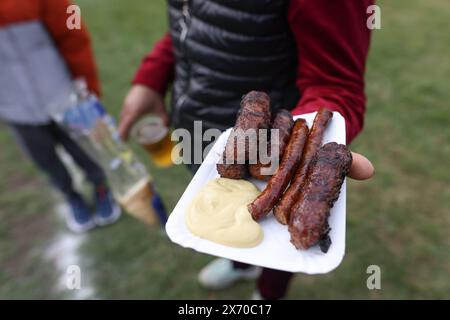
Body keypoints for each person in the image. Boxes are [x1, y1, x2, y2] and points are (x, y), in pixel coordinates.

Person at [119, 0, 375, 299]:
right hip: (205, 138)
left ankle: (268, 294)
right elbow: (195, 16)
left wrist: (301, 154)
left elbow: (337, 83)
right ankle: (241, 265)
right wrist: (153, 77)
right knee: (232, 213)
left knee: (277, 235)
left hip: (277, 141)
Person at [0, 0, 121, 233]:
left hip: (63, 94)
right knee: (45, 159)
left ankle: (100, 187)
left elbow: (73, 35)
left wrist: (87, 85)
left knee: (84, 148)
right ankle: (72, 197)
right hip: (15, 107)